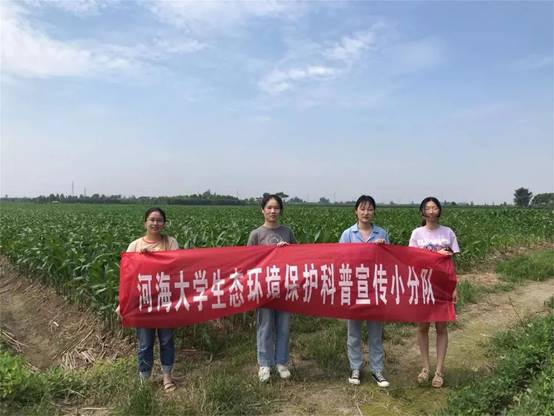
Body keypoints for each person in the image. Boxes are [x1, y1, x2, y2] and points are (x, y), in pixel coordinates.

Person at [117, 207, 179, 392]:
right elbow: (127, 278)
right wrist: (122, 304)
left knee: (166, 340)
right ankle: (144, 379)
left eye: (159, 220)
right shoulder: (135, 246)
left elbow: (177, 266)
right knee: (145, 343)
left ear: (164, 223)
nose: (155, 223)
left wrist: (154, 258)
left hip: (165, 300)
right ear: (145, 223)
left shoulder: (170, 242)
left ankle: (167, 376)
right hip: (142, 302)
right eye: (152, 220)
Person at [339, 195, 390, 388]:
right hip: (354, 287)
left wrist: (383, 248)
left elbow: (389, 260)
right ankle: (355, 367)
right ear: (356, 211)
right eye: (362, 208)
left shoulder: (381, 233)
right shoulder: (348, 234)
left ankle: (377, 369)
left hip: (375, 288)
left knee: (375, 331)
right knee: (353, 332)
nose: (366, 212)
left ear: (374, 211)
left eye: (369, 209)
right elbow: (340, 259)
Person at [409, 196, 460, 388]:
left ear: (439, 210)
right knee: (422, 327)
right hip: (423, 284)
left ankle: (439, 370)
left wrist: (454, 287)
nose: (431, 211)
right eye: (427, 208)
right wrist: (435, 255)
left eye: (434, 207)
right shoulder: (417, 234)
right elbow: (412, 259)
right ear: (422, 212)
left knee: (441, 328)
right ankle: (425, 367)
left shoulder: (448, 232)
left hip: (443, 285)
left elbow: (451, 263)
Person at [247, 194, 296, 383]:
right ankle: (264, 364)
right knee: (265, 325)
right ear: (263, 210)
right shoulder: (256, 234)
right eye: (269, 207)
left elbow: (298, 256)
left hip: (284, 287)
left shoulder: (287, 232)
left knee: (283, 326)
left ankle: (281, 362)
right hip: (264, 287)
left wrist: (288, 250)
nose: (273, 211)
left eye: (276, 208)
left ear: (280, 210)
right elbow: (249, 261)